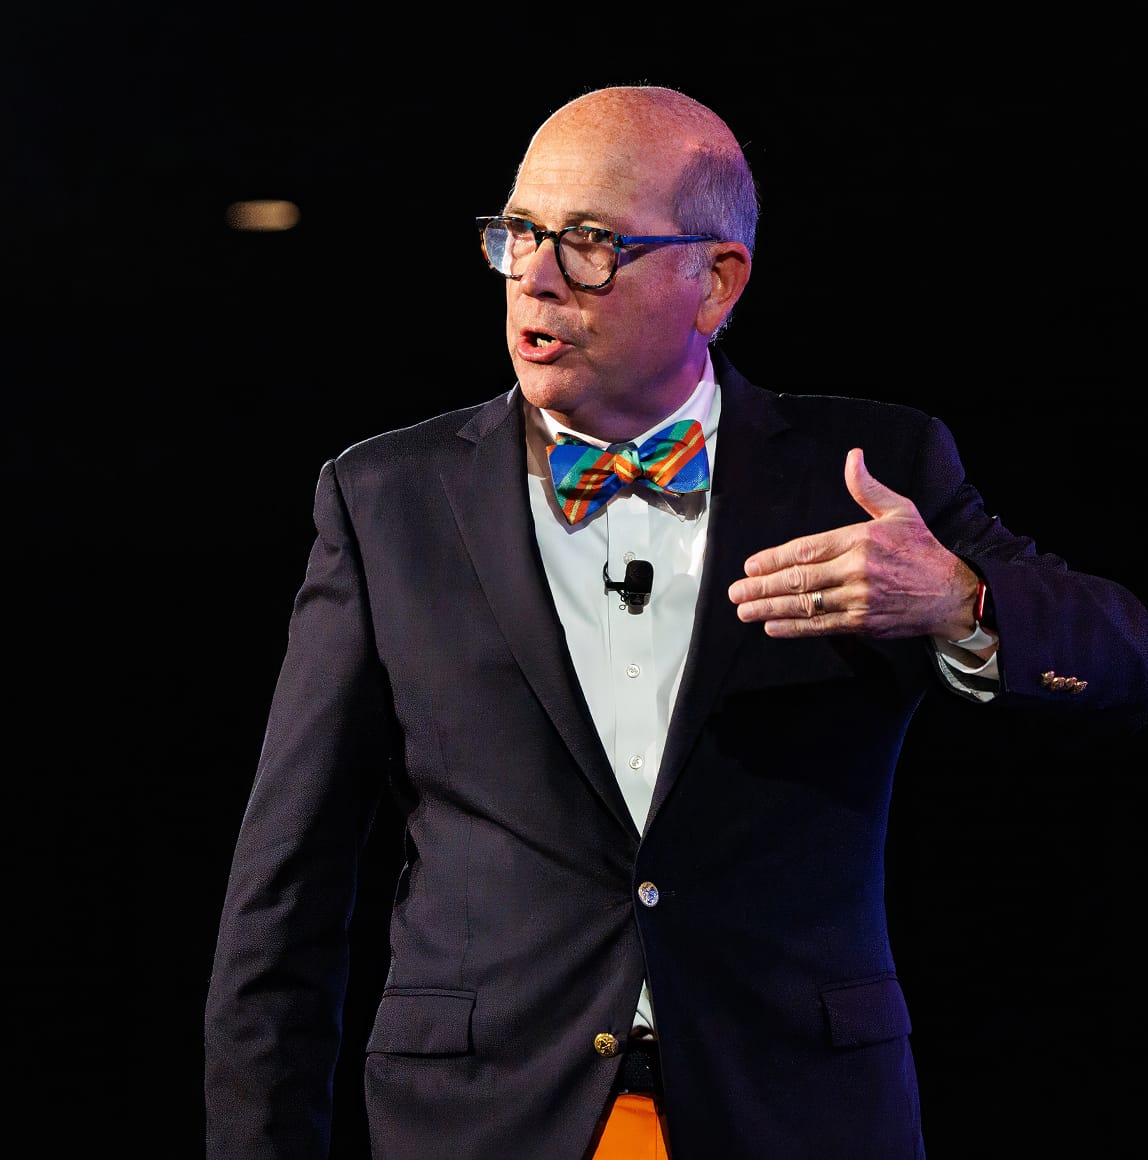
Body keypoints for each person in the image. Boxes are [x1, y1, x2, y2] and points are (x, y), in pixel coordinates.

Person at [204, 84, 1148, 1160]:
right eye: (517, 234)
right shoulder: (385, 499)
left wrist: (959, 601)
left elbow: (1123, 653)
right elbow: (287, 886)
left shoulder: (863, 474)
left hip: (792, 1106)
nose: (538, 275)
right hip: (485, 1115)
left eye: (592, 242)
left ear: (714, 281)